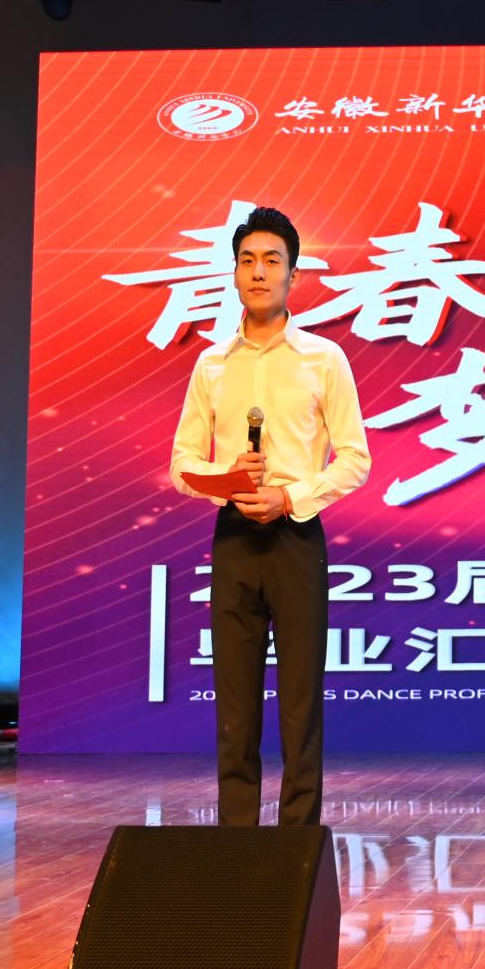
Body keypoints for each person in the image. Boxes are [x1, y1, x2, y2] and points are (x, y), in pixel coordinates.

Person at [168, 208, 370, 828]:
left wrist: (291, 497)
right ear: (234, 274)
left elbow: (355, 459)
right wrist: (225, 479)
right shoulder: (212, 364)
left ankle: (297, 844)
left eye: (272, 261)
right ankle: (236, 841)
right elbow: (181, 464)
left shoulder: (324, 359)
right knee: (234, 703)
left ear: (293, 275)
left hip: (296, 538)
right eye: (248, 261)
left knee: (301, 700)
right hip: (233, 538)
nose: (259, 272)